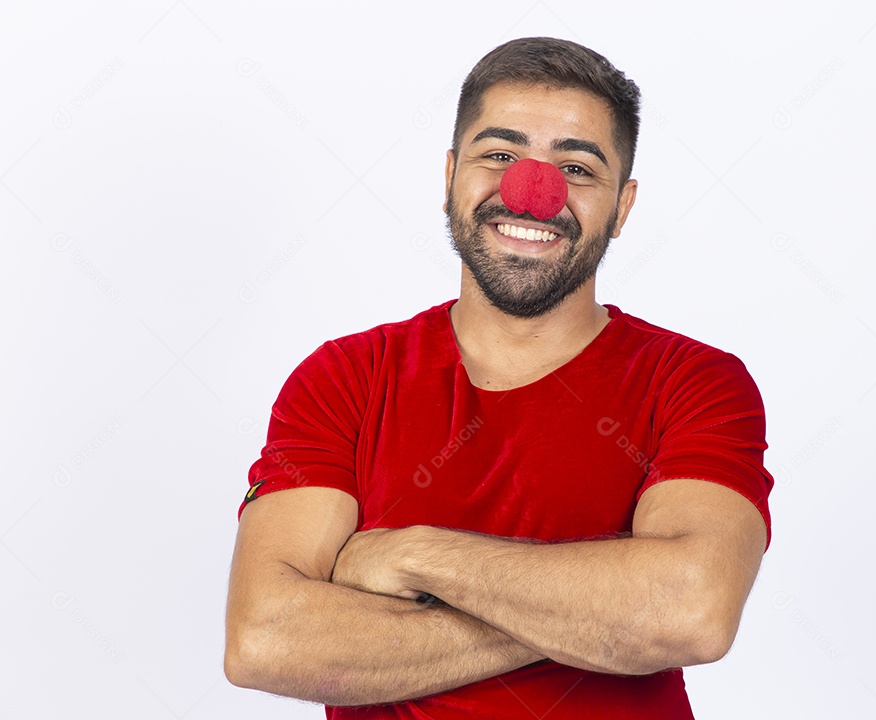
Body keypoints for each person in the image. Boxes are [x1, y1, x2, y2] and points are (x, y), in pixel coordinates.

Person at [224, 36, 774, 719]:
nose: (533, 192)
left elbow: (690, 612)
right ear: (451, 175)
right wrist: (599, 617)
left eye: (576, 166)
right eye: (500, 155)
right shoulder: (344, 379)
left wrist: (414, 555)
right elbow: (264, 640)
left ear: (622, 207)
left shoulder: (695, 383)